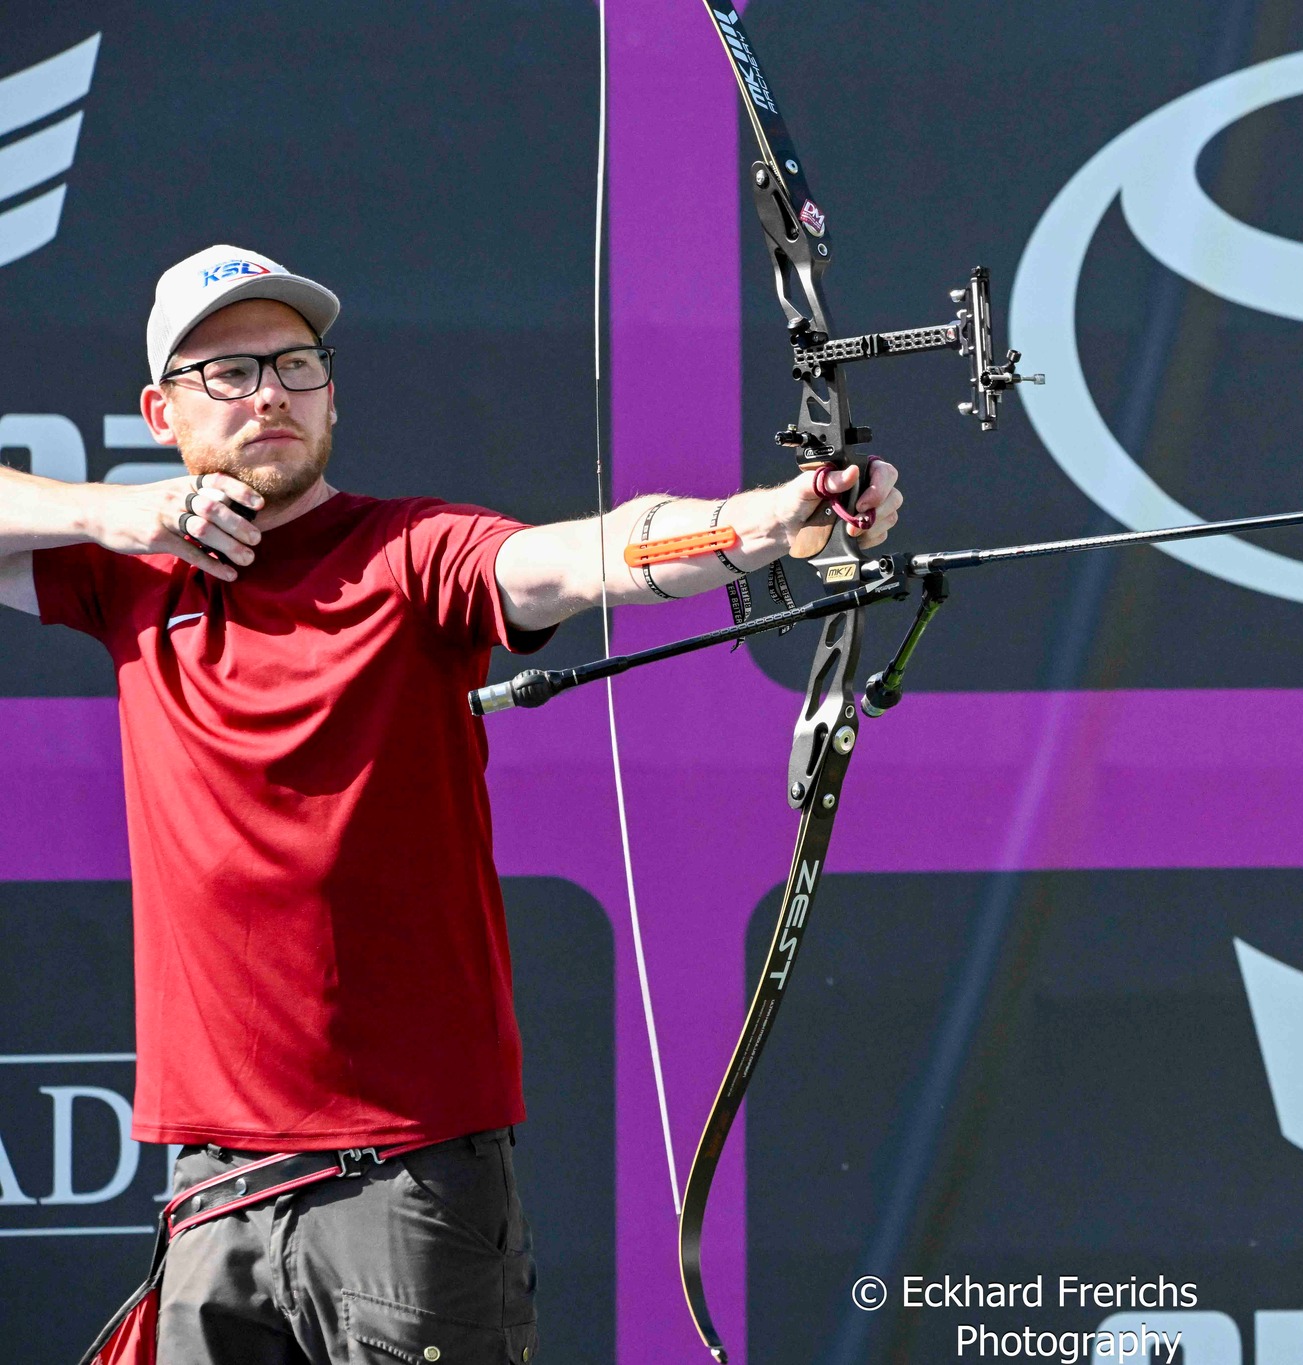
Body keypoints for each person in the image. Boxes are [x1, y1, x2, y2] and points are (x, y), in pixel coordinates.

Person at [0, 245, 901, 1364]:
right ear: (162, 412)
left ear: (331, 391)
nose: (270, 392)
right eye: (228, 373)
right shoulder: (126, 574)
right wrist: (111, 515)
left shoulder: (412, 551)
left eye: (294, 362)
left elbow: (584, 558)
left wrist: (767, 521)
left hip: (407, 1187)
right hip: (212, 1186)